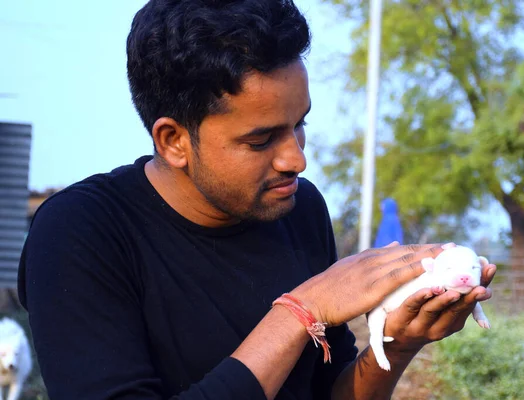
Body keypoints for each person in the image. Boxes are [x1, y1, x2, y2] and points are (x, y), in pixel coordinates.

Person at [17, 1, 496, 399]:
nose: (296, 160)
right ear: (173, 140)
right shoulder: (79, 234)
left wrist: (396, 341)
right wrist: (302, 308)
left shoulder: (298, 208)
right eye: (261, 139)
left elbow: (331, 391)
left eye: (300, 124)